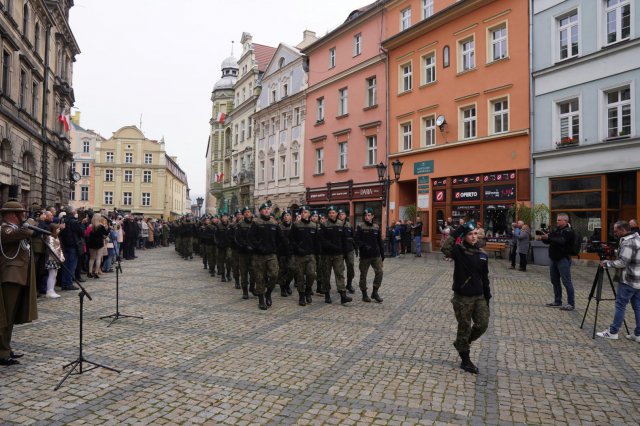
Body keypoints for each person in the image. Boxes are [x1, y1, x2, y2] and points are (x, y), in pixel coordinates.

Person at [441, 221, 491, 374]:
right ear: (465, 236)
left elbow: (485, 277)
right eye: (470, 234)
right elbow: (445, 248)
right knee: (464, 327)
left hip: (479, 295)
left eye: (475, 233)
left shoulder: (483, 254)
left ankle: (462, 343)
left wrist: (487, 297)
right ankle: (465, 360)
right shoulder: (458, 250)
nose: (474, 236)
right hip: (462, 297)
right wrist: (458, 231)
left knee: (482, 324)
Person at [0, 200, 38, 366]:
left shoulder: (17, 229)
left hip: (19, 276)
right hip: (10, 276)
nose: (24, 216)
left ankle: (6, 348)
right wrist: (29, 224)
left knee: (11, 316)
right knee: (4, 317)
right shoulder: (4, 229)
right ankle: (2, 352)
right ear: (12, 215)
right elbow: (20, 234)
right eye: (22, 213)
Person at [596, 221, 640, 341]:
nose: (615, 234)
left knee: (620, 305)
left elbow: (622, 262)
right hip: (638, 279)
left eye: (616, 231)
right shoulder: (637, 238)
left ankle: (613, 331)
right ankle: (638, 334)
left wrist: (607, 263)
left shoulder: (628, 242)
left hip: (628, 279)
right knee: (638, 307)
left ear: (623, 230)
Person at [248, 202, 281, 310]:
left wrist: (279, 248)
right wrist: (258, 247)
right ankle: (261, 299)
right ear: (261, 211)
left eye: (268, 209)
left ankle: (268, 293)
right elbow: (251, 238)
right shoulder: (256, 222)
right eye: (264, 209)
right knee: (260, 278)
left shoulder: (274, 223)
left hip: (271, 254)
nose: (267, 210)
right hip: (259, 255)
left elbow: (279, 238)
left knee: (274, 275)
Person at [541, 213, 576, 311]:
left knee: (566, 281)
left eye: (559, 220)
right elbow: (550, 241)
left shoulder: (569, 231)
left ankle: (571, 303)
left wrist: (549, 237)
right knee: (554, 280)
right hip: (554, 259)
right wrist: (544, 238)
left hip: (563, 259)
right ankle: (557, 301)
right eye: (557, 220)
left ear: (565, 221)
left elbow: (561, 241)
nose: (557, 221)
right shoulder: (556, 230)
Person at [319, 206, 352, 305]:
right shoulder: (324, 224)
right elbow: (322, 240)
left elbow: (344, 239)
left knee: (340, 274)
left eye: (333, 212)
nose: (331, 214)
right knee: (326, 275)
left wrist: (345, 251)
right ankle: (327, 294)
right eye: (330, 213)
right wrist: (332, 246)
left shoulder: (340, 224)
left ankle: (343, 295)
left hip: (339, 255)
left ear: (337, 213)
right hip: (327, 255)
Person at [290, 206, 320, 306]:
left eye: (305, 212)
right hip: (299, 256)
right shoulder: (296, 225)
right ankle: (302, 296)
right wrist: (297, 248)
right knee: (300, 276)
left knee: (312, 274)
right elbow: (291, 239)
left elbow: (316, 241)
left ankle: (308, 291)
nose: (303, 213)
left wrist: (317, 254)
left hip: (310, 255)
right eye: (302, 212)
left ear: (309, 214)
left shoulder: (313, 225)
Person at [355, 208, 384, 303]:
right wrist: (363, 246)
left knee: (379, 272)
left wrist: (382, 253)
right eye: (365, 215)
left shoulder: (376, 227)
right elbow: (356, 240)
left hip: (376, 255)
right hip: (365, 256)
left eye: (369, 215)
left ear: (372, 216)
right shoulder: (360, 226)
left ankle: (375, 292)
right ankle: (364, 294)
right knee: (363, 275)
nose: (367, 217)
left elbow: (380, 241)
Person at [44, 223, 65, 298]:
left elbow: (60, 248)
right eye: (58, 229)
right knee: (51, 274)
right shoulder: (50, 238)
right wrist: (58, 256)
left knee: (54, 275)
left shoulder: (57, 237)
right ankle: (49, 291)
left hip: (57, 259)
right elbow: (51, 249)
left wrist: (62, 257)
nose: (59, 230)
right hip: (52, 259)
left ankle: (52, 290)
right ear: (54, 230)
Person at [86, 214, 110, 279]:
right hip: (99, 243)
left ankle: (90, 272)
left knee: (92, 258)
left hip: (91, 243)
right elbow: (106, 233)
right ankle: (96, 272)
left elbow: (86, 234)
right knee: (98, 258)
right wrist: (108, 228)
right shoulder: (100, 226)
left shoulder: (90, 226)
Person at [338, 210, 356, 293]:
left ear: (346, 216)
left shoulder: (349, 225)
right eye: (340, 214)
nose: (341, 215)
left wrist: (356, 248)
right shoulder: (336, 225)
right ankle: (341, 286)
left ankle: (349, 284)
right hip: (339, 250)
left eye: (343, 214)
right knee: (339, 269)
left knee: (351, 266)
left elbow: (353, 237)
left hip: (349, 250)